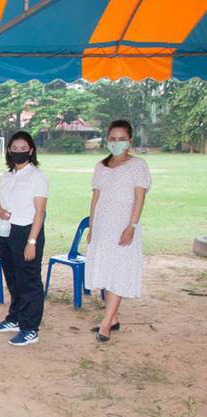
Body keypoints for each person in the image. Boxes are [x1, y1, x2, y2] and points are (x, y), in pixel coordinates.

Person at [85, 120, 151, 342]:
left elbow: (139, 198)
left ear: (130, 141)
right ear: (107, 140)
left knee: (118, 272)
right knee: (105, 270)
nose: (117, 143)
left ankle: (105, 323)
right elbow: (95, 198)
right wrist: (92, 227)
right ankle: (112, 318)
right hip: (102, 226)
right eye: (113, 139)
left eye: (121, 139)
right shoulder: (100, 166)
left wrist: (131, 226)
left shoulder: (138, 165)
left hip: (123, 226)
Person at [0, 131, 48, 346]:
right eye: (14, 149)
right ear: (9, 151)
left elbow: (40, 212)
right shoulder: (7, 176)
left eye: (23, 149)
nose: (18, 152)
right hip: (6, 231)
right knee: (13, 278)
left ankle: (30, 328)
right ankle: (15, 318)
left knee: (29, 281)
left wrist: (31, 242)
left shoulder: (37, 176)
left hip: (27, 231)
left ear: (31, 151)